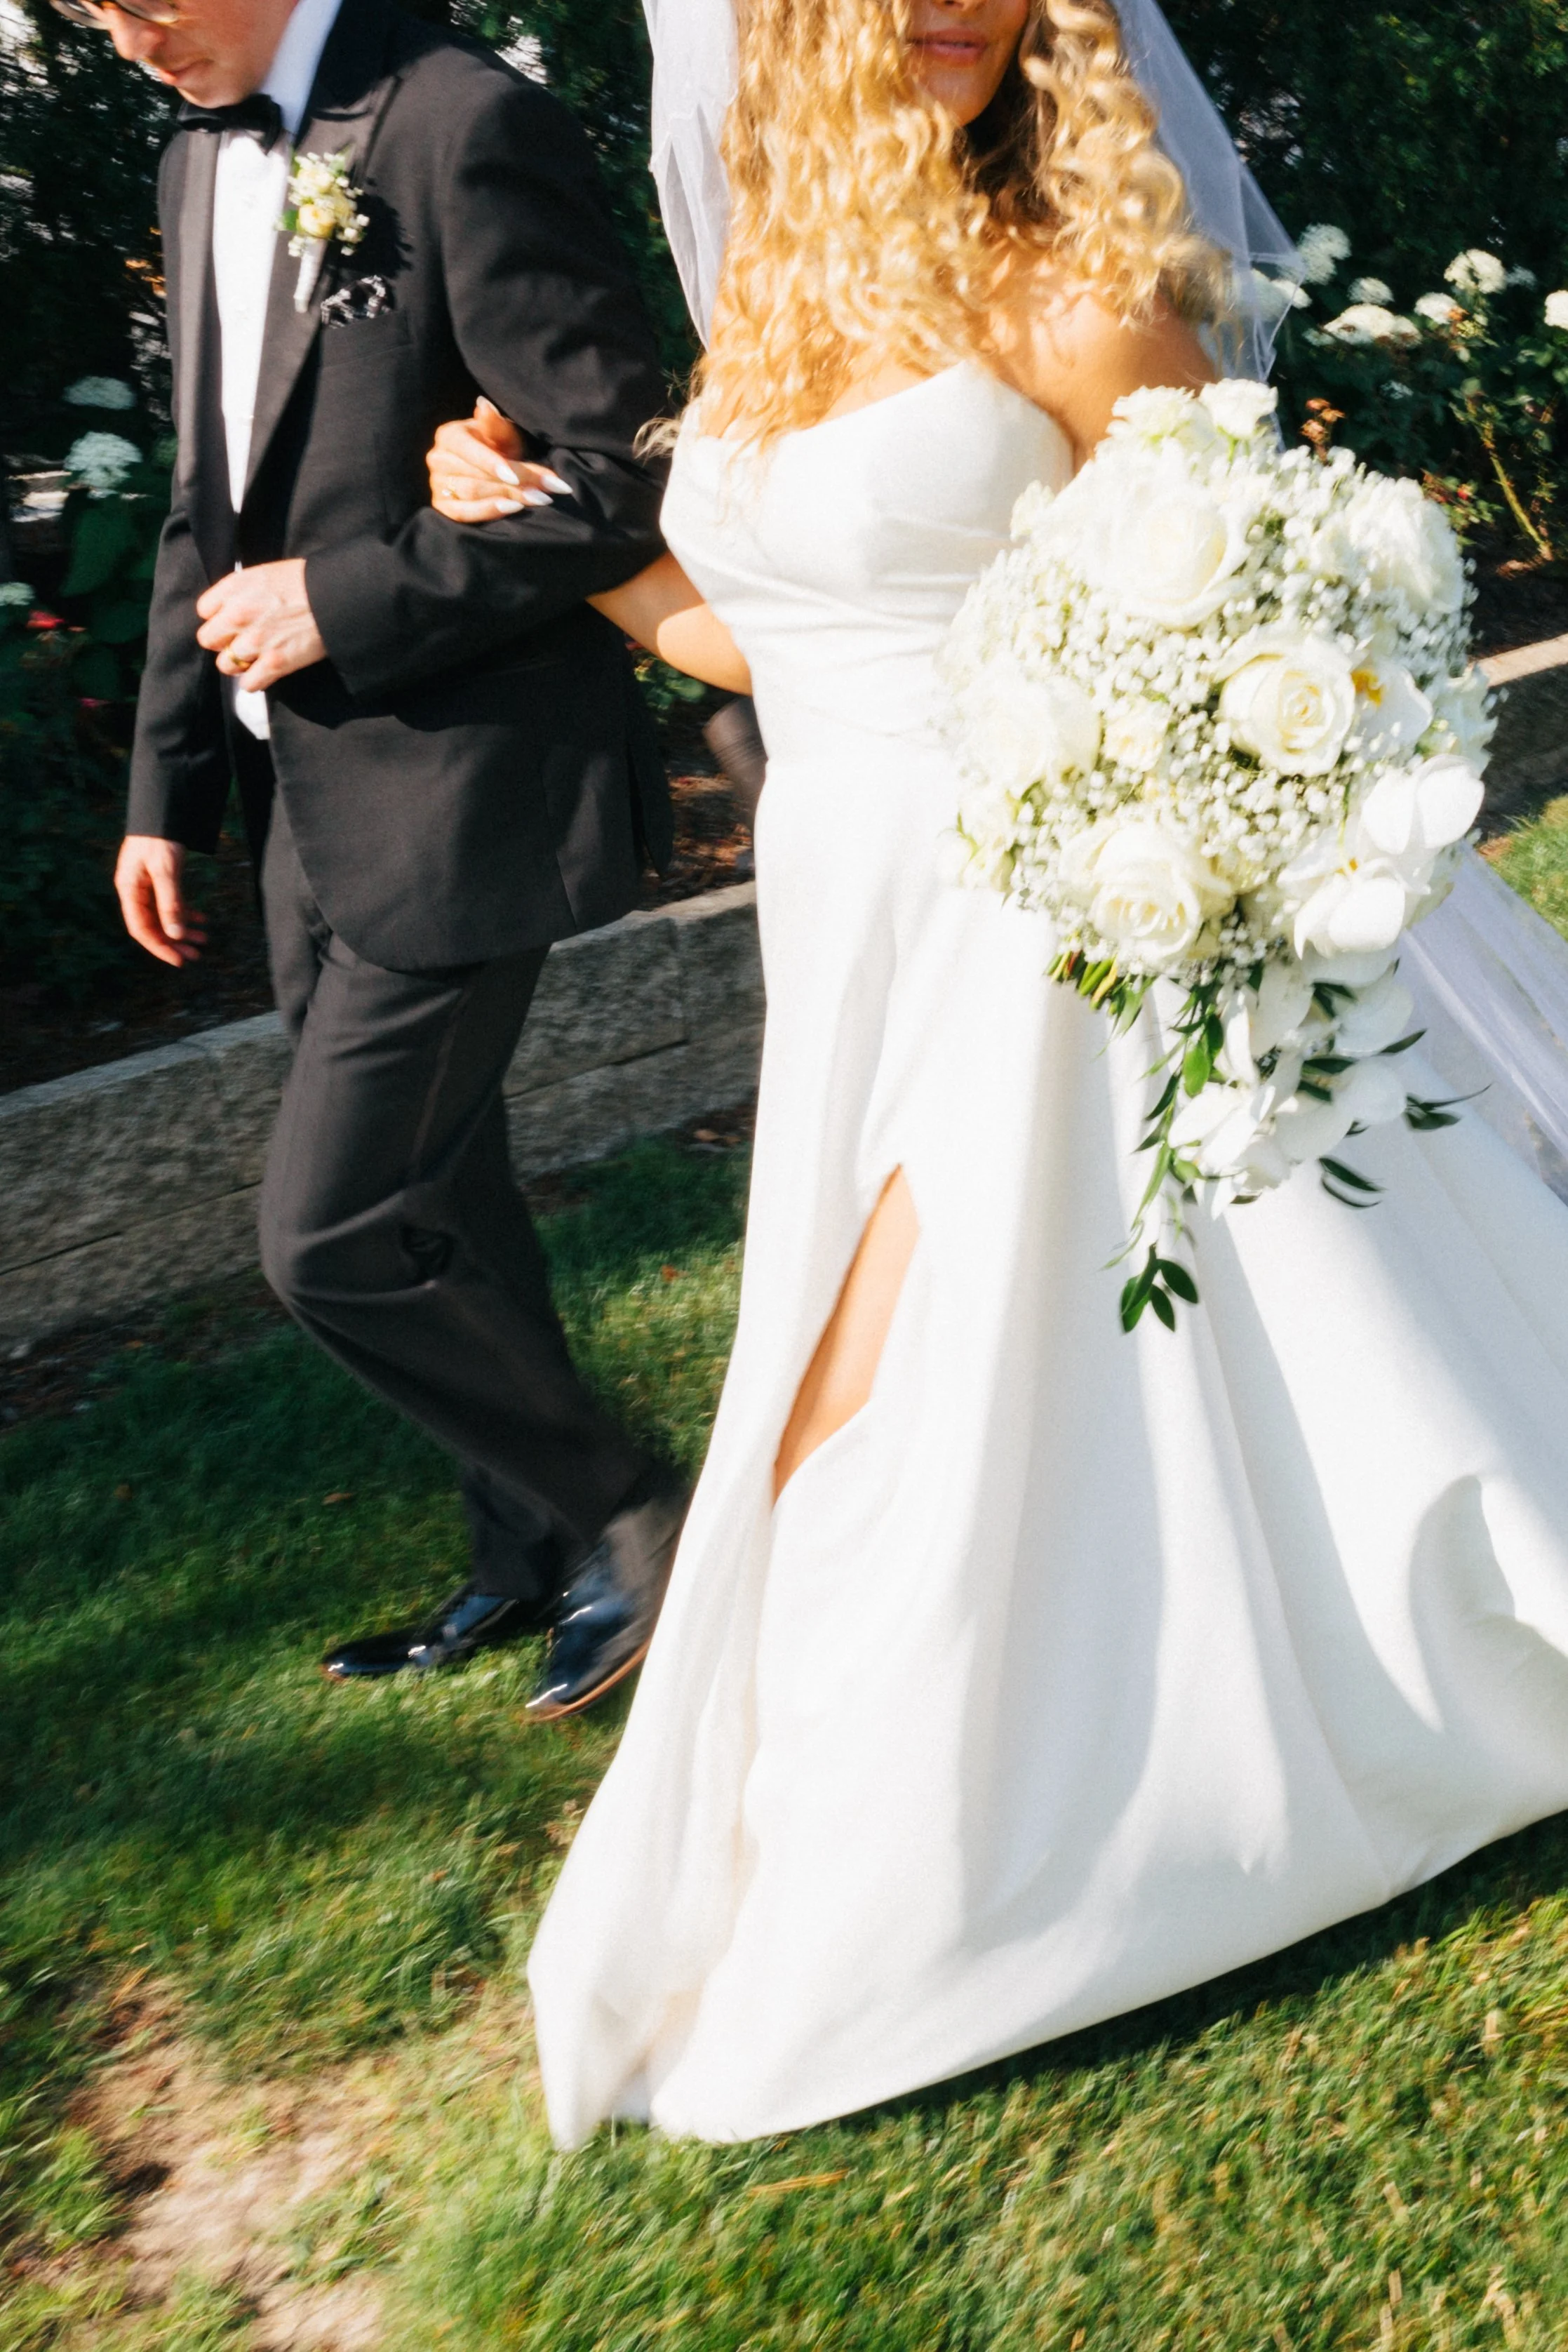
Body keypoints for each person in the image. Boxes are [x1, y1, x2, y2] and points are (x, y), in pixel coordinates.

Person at [465, 0, 1568, 2147]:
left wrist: (1142, 841)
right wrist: (564, 538)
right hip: (853, 920)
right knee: (924, 1387)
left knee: (883, 1401)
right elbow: (767, 636)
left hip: (1046, 929)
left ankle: (981, 1864)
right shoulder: (788, 288)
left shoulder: (1088, 282)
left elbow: (1248, 629)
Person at [91, 0, 688, 1713]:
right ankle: (528, 1562)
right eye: (92, 15)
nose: (130, 40)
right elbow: (211, 506)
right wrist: (165, 789)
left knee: (333, 1230)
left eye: (144, 1)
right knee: (441, 1197)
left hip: (464, 786)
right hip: (303, 808)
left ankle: (645, 1517)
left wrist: (339, 599)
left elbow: (616, 472)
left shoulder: (458, 120)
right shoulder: (195, 156)